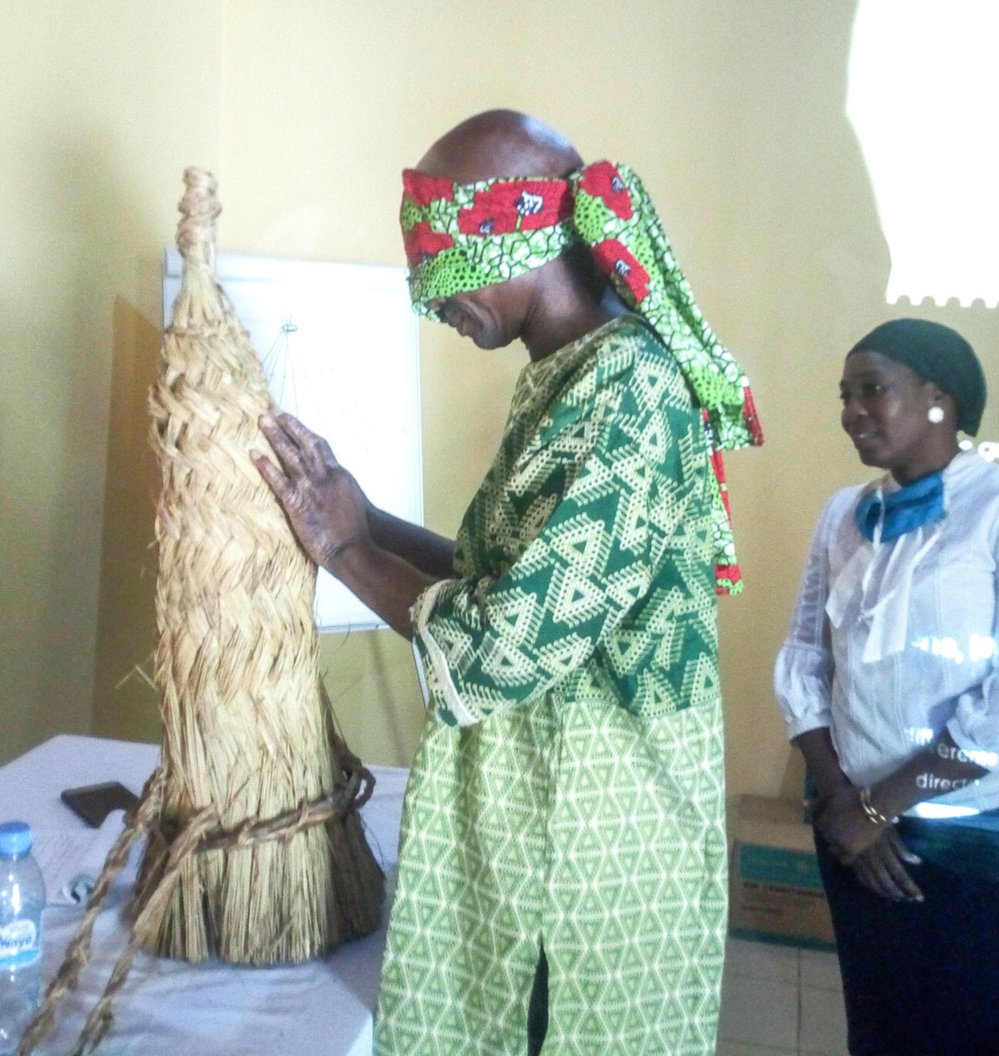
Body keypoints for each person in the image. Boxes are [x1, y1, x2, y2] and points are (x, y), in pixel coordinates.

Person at [252, 109, 763, 1056]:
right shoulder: (574, 377)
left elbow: (507, 644)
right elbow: (510, 578)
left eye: (444, 272)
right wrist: (365, 520)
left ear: (521, 241)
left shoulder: (630, 393)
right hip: (538, 819)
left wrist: (344, 554)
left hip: (587, 852)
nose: (431, 301)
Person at [773, 318, 999, 1056]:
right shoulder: (843, 514)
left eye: (872, 389)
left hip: (977, 843)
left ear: (940, 400)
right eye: (844, 395)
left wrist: (880, 806)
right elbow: (802, 664)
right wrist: (845, 803)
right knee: (876, 1031)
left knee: (967, 1038)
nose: (851, 411)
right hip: (853, 830)